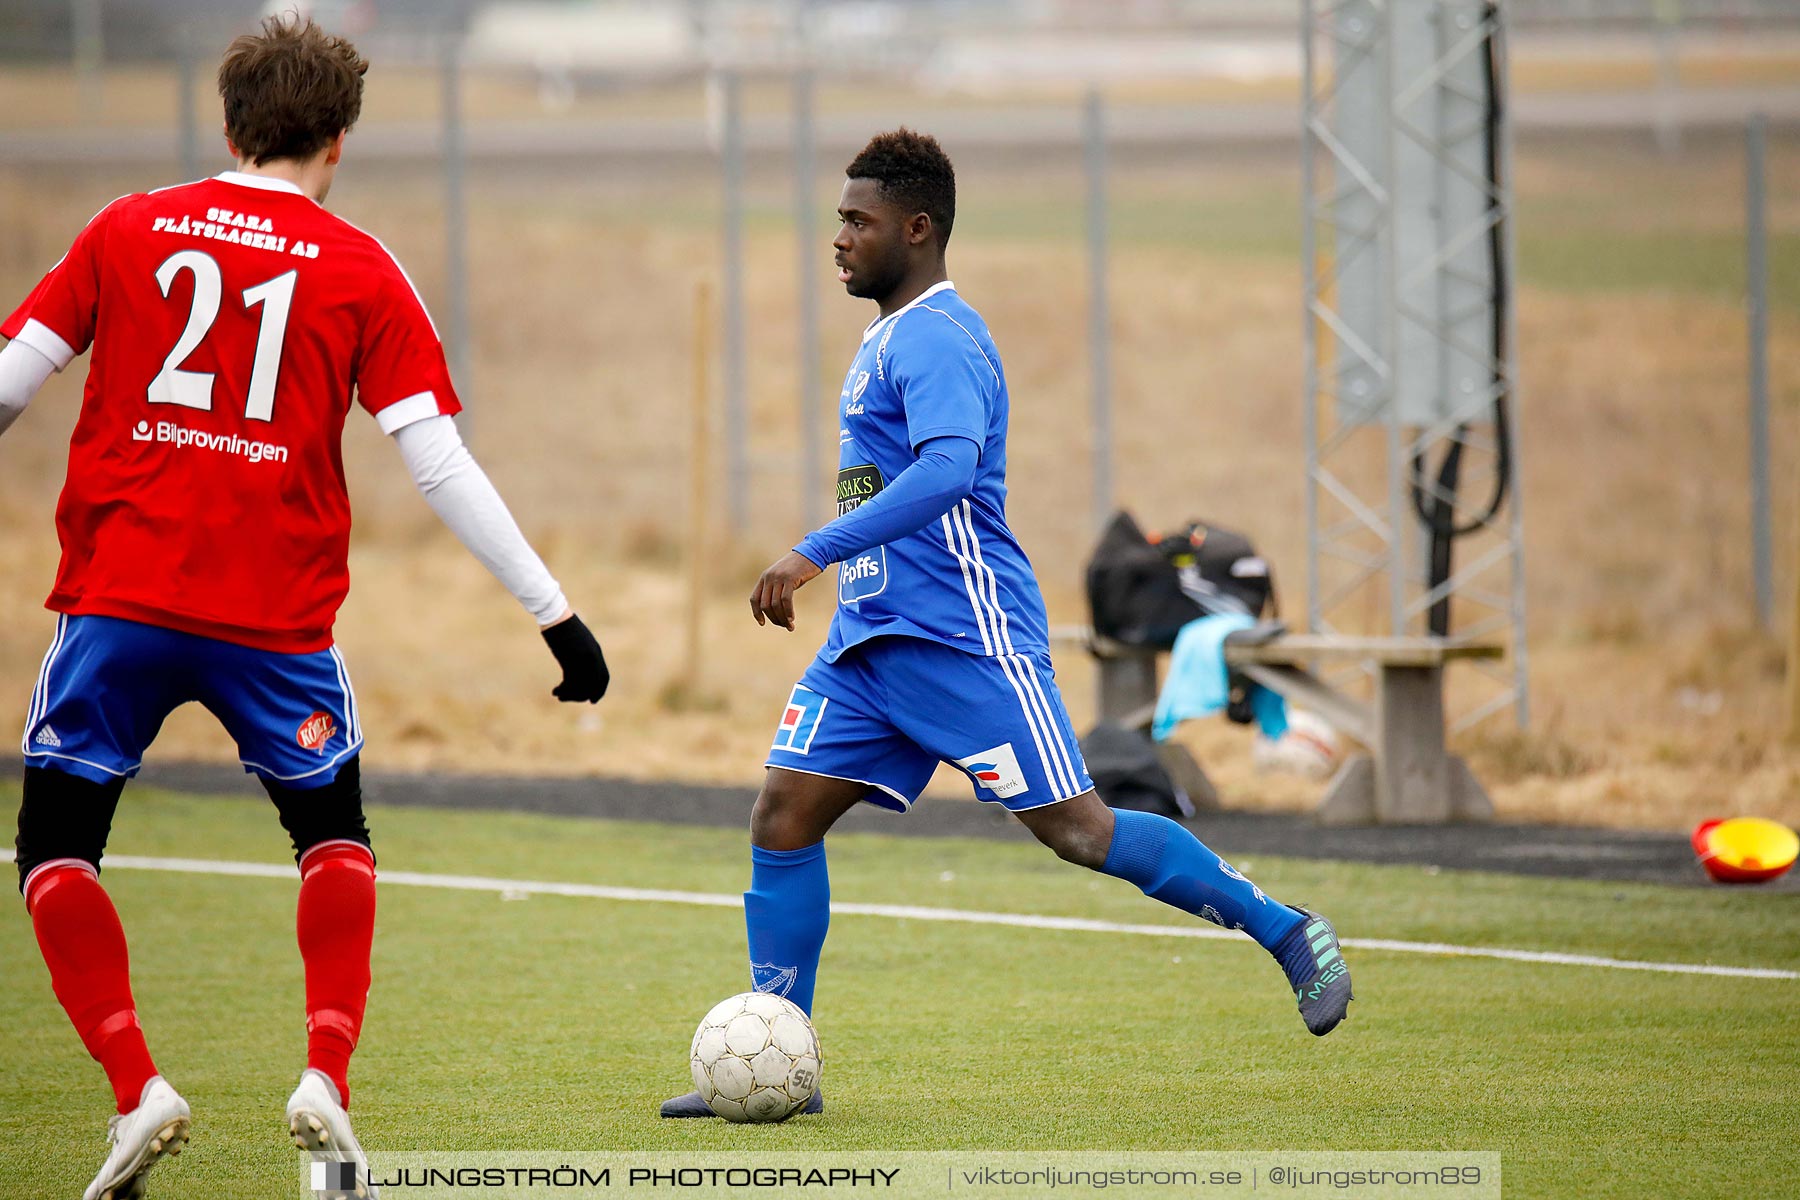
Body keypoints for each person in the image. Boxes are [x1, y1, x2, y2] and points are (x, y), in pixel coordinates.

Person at [0, 16, 609, 1199]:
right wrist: (556, 614)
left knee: (55, 850)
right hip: (274, 625)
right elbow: (438, 463)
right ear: (340, 138)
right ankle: (324, 1078)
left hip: (117, 606)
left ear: (225, 125)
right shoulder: (360, 266)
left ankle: (138, 1089)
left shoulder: (125, 226)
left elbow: (12, 384)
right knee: (332, 839)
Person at [660, 129, 1350, 1119]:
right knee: (782, 815)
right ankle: (786, 1060)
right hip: (869, 644)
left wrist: (810, 548)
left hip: (964, 638)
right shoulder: (891, 334)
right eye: (839, 221)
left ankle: (1287, 932)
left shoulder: (939, 334)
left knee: (1079, 830)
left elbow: (946, 470)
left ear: (919, 228)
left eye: (858, 222)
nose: (840, 239)